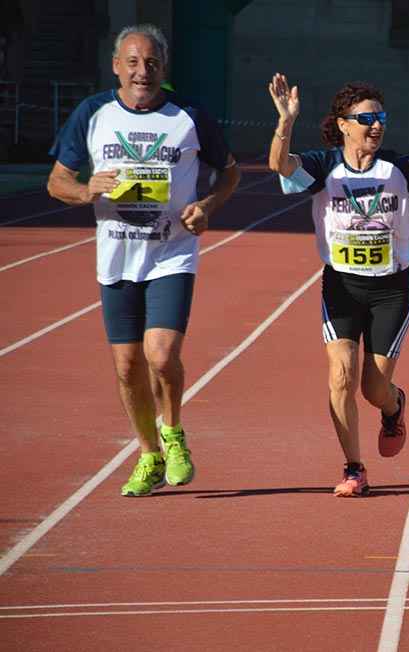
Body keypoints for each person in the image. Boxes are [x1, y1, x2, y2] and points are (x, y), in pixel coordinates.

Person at [46, 24, 240, 496]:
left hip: (171, 254)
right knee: (127, 366)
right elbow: (57, 182)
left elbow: (230, 172)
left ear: (163, 68)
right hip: (116, 259)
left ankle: (173, 436)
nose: (142, 72)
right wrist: (85, 189)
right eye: (132, 62)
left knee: (160, 354)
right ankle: (149, 452)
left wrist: (207, 207)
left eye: (151, 63)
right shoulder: (93, 114)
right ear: (116, 66)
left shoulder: (189, 117)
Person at [267, 74, 409, 497]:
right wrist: (285, 122)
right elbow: (280, 166)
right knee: (340, 377)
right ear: (343, 124)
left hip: (391, 289)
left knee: (373, 389)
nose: (376, 125)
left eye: (381, 118)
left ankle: (394, 407)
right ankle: (354, 468)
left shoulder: (401, 168)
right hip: (341, 286)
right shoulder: (323, 166)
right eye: (367, 118)